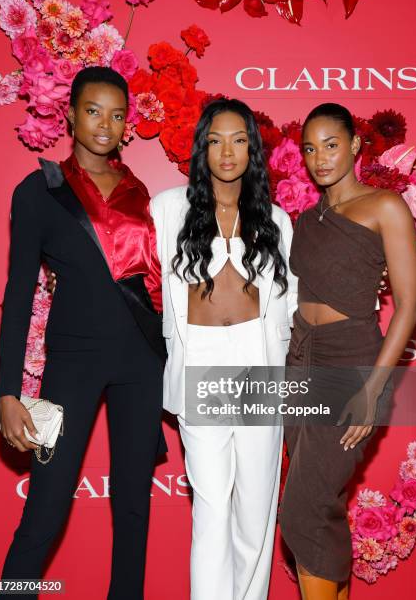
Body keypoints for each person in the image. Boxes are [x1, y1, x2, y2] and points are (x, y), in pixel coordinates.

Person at [0, 66, 165, 600]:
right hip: (72, 363)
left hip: (141, 363)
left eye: (117, 115)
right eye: (93, 111)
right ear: (69, 114)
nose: (105, 124)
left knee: (134, 507)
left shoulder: (142, 193)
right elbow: (19, 295)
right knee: (46, 506)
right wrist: (6, 392)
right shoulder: (40, 190)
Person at [150, 98, 298, 600]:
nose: (227, 151)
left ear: (251, 149)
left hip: (258, 362)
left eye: (238, 140)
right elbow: (136, 274)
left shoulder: (276, 218)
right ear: (202, 148)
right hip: (202, 361)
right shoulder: (170, 207)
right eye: (215, 140)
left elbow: (294, 300)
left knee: (256, 507)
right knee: (212, 504)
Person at [278, 103, 416, 599]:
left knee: (304, 508)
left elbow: (408, 305)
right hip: (300, 362)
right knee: (322, 507)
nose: (320, 158)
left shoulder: (385, 207)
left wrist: (372, 389)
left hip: (352, 365)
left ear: (357, 145)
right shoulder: (305, 220)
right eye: (311, 149)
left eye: (332, 144)